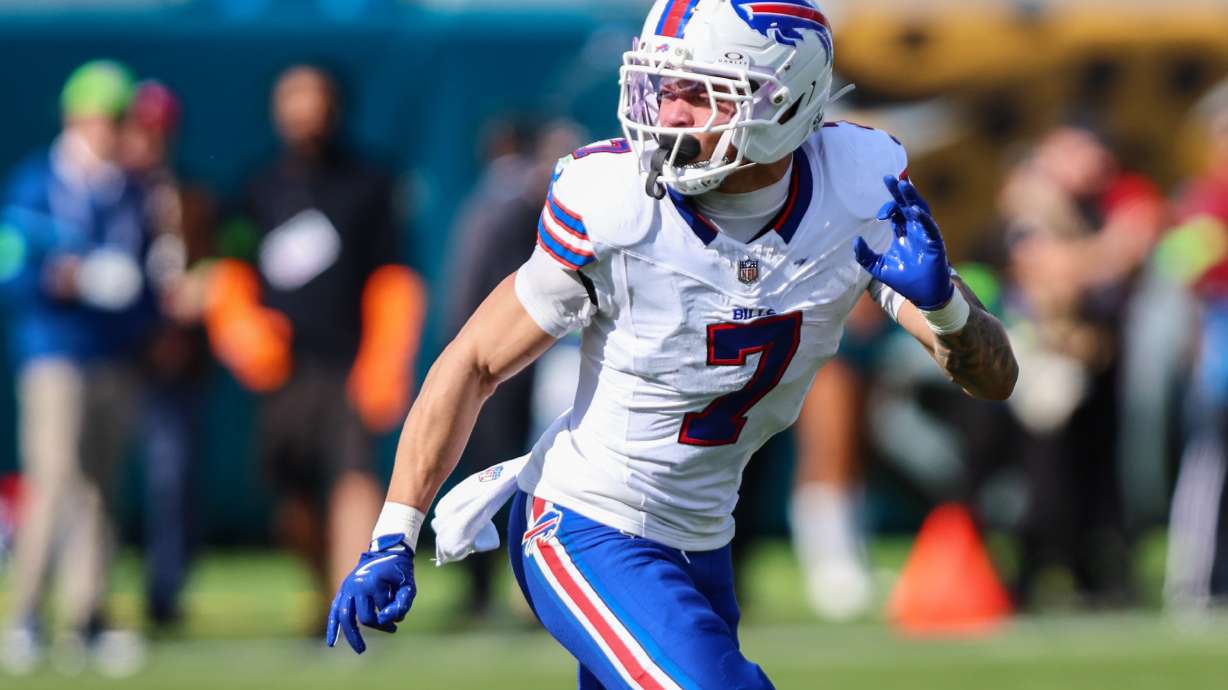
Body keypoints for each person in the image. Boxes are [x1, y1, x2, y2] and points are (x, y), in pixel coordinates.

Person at [326, 2, 1017, 687]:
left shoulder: (855, 188)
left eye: (701, 94)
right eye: (663, 88)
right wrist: (393, 531)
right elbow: (474, 361)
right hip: (586, 525)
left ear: (786, 99)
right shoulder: (617, 203)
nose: (670, 115)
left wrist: (947, 307)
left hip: (702, 543)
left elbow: (995, 379)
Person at [204, 65, 426, 619]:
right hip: (283, 370)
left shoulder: (369, 184)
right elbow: (230, 274)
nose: (305, 111)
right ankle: (319, 593)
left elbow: (395, 278)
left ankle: (352, 605)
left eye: (315, 98)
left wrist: (385, 361)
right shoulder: (258, 188)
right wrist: (245, 335)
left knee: (354, 477)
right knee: (293, 497)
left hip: (348, 362)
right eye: (293, 99)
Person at [0, 60, 151, 674]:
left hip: (111, 353)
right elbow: (10, 267)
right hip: (53, 350)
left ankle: (86, 617)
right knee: (54, 476)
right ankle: (25, 615)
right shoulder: (37, 182)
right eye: (110, 118)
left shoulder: (131, 189)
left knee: (100, 490)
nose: (119, 131)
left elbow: (138, 273)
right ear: (79, 118)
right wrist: (65, 278)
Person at [999, 124, 1165, 607]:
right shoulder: (1033, 201)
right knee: (1044, 478)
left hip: (1096, 358)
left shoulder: (1098, 203)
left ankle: (1095, 572)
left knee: (1097, 479)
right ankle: (1035, 574)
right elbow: (1054, 272)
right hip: (1045, 359)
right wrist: (1114, 249)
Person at [118, 79, 215, 629]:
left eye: (159, 131)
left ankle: (164, 593)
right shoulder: (112, 194)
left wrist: (207, 284)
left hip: (177, 365)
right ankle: (90, 600)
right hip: (118, 356)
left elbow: (224, 256)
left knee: (173, 480)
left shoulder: (189, 195)